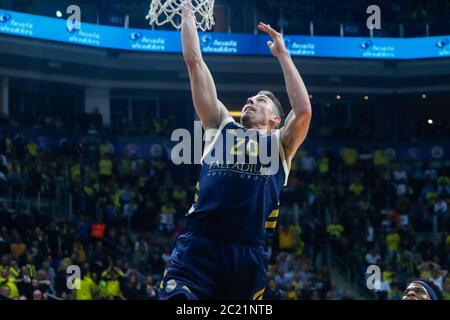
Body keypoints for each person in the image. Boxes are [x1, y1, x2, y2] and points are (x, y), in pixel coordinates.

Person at [159, 1, 311, 300]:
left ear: (275, 119)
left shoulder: (281, 144)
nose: (251, 99)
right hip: (198, 248)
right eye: (252, 97)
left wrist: (283, 55)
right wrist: (187, 13)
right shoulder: (220, 126)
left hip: (246, 256)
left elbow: (303, 110)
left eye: (261, 100)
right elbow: (194, 62)